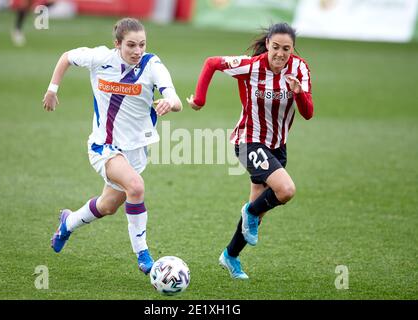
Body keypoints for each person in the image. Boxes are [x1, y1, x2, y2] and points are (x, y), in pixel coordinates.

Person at [43, 17, 182, 274]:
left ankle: (68, 223)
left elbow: (173, 96)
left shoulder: (152, 64)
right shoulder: (99, 58)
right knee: (136, 187)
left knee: (107, 206)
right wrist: (53, 89)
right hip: (103, 147)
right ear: (117, 44)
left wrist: (169, 102)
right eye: (131, 45)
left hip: (136, 151)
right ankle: (143, 254)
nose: (137, 51)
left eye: (142, 44)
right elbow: (66, 57)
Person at [187, 22, 314, 279]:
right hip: (248, 141)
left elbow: (308, 113)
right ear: (267, 44)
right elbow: (212, 63)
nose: (280, 53)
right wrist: (199, 100)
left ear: (292, 49)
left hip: (278, 147)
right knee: (285, 191)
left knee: (258, 212)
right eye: (275, 47)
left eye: (286, 49)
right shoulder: (251, 66)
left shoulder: (300, 68)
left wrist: (298, 92)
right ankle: (249, 213)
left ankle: (230, 256)